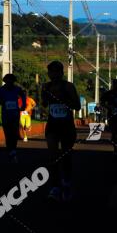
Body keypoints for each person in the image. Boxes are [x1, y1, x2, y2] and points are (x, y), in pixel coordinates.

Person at [40, 61, 81, 201]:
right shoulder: (46, 87)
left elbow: (77, 106)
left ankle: (67, 183)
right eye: (51, 72)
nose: (53, 75)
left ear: (62, 73)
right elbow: (44, 104)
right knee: (53, 157)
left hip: (67, 126)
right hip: (52, 125)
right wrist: (45, 96)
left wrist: (62, 100)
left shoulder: (68, 86)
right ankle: (55, 187)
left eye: (56, 72)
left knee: (66, 156)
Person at [0, 74, 26, 163]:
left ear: (13, 81)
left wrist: (23, 105)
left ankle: (13, 150)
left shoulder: (17, 89)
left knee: (14, 133)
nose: (10, 82)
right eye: (8, 81)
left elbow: (23, 95)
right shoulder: (1, 90)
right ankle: (10, 151)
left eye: (11, 81)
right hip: (6, 115)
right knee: (8, 133)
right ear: (5, 81)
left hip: (15, 114)